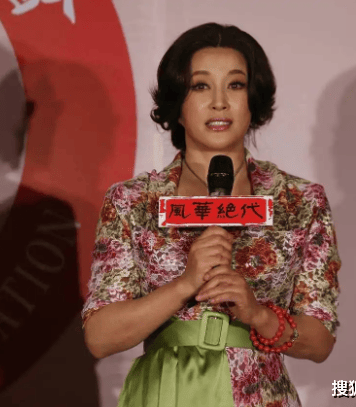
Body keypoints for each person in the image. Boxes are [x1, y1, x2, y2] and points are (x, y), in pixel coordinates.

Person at [82, 22, 341, 407]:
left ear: (253, 99)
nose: (219, 102)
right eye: (200, 86)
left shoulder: (298, 201)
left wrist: (258, 315)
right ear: (177, 103)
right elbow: (100, 337)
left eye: (235, 85)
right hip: (167, 393)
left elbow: (319, 340)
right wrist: (185, 284)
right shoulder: (133, 201)